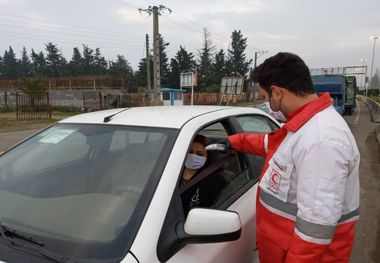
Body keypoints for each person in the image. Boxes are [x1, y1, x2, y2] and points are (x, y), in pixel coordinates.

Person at [220, 52, 360, 262]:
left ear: (277, 92)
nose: (267, 103)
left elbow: (315, 230)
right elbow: (269, 145)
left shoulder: (321, 140)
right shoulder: (303, 127)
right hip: (280, 249)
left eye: (265, 97)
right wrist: (233, 141)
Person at [180, 134, 227, 215]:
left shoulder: (214, 181)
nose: (193, 156)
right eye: (190, 152)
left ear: (207, 157)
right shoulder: (171, 173)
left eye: (199, 154)